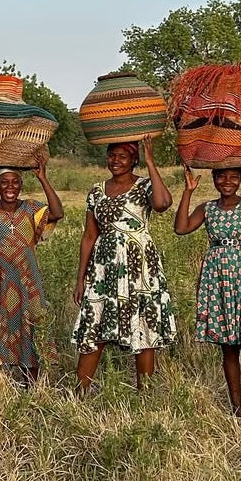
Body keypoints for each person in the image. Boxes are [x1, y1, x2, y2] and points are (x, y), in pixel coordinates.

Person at [173, 162, 241, 421]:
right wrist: (188, 191)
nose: (227, 182)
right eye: (222, 177)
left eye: (234, 177)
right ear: (213, 178)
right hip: (217, 277)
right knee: (228, 347)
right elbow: (181, 228)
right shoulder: (207, 208)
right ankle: (237, 410)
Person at [71, 136, 175, 393]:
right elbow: (89, 236)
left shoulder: (144, 186)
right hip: (104, 267)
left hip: (139, 267)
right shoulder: (96, 191)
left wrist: (151, 162)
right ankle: (79, 394)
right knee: (94, 325)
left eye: (122, 156)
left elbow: (162, 204)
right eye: (111, 155)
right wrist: (80, 278)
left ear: (133, 160)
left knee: (143, 325)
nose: (115, 161)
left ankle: (146, 396)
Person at [0, 156, 64, 384]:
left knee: (30, 320)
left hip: (26, 279)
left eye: (15, 182)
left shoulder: (32, 208)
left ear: (21, 185)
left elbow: (58, 213)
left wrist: (42, 177)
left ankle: (30, 380)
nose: (10, 187)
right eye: (4, 182)